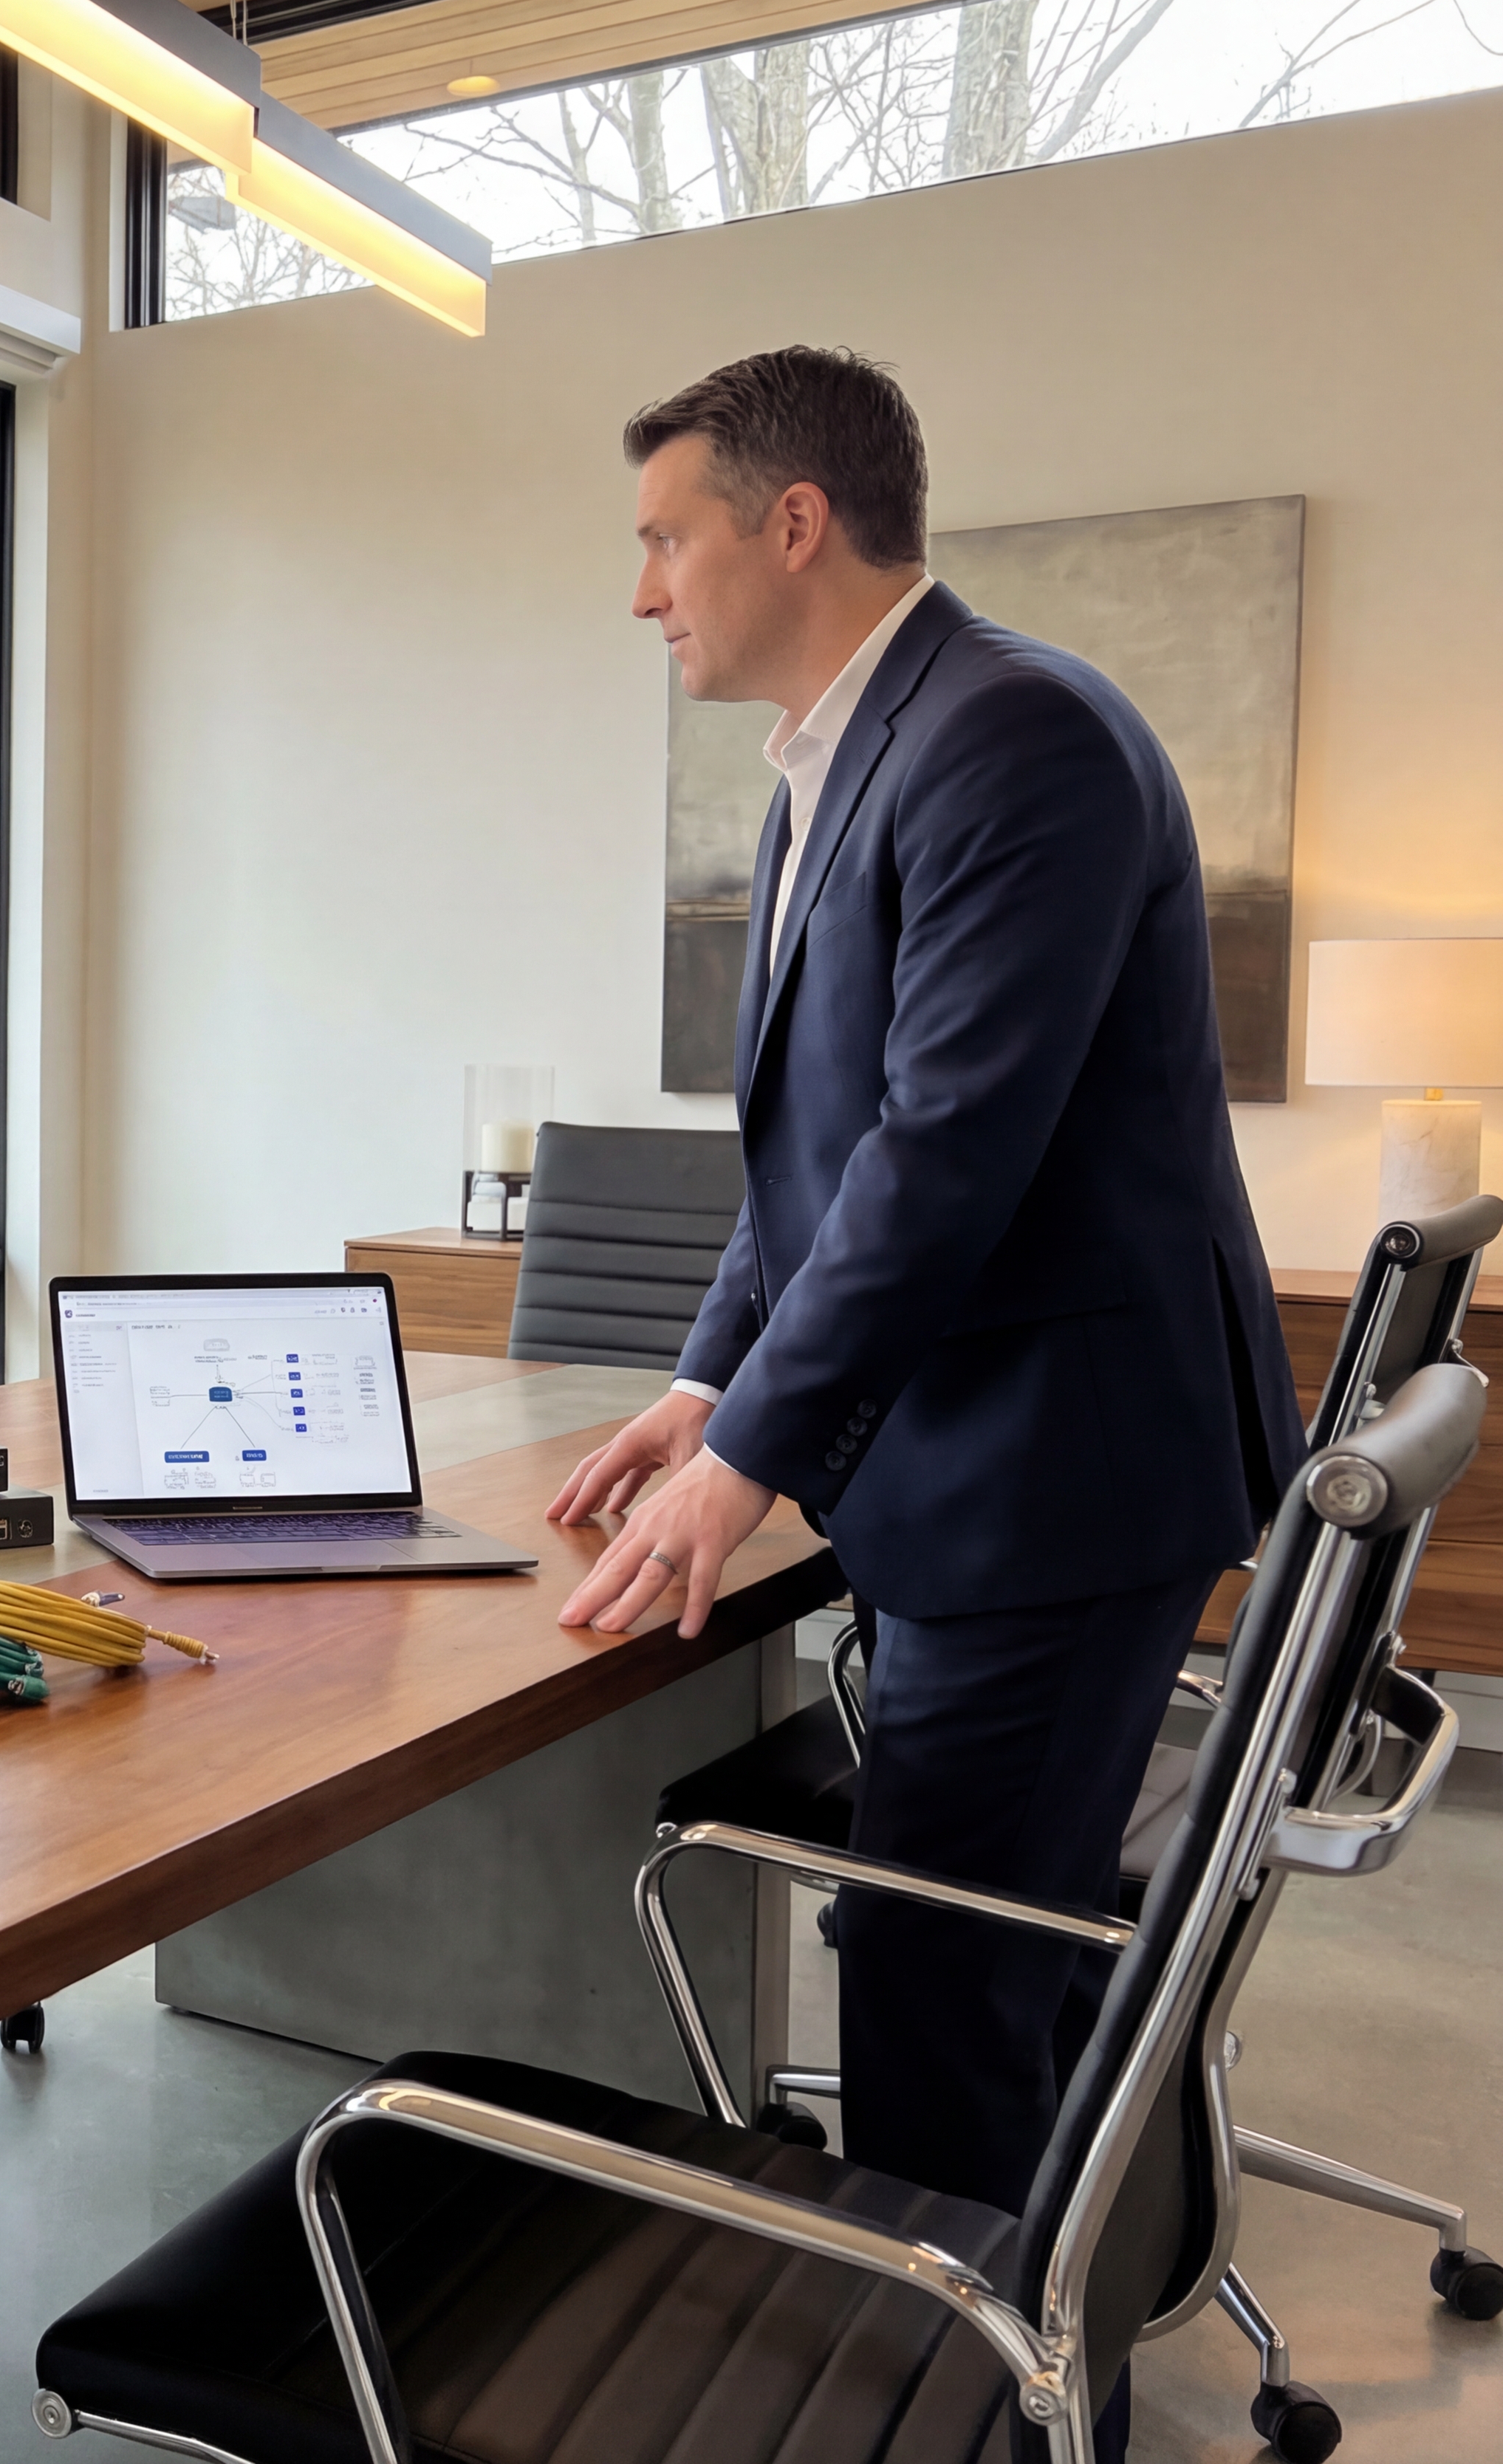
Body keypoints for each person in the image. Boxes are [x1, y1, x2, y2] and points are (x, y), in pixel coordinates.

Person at [547, 352, 1300, 2319]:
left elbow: (947, 1151)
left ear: (793, 524)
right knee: (961, 1972)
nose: (643, 593)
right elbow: (818, 1149)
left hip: (1050, 1480)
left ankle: (988, 2402)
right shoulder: (846, 755)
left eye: (666, 540)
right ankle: (1018, 2370)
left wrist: (750, 1461)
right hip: (994, 1461)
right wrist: (710, 1383)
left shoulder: (1010, 737)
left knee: (941, 1994)